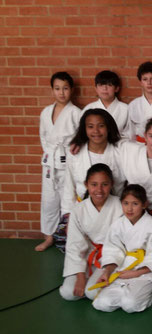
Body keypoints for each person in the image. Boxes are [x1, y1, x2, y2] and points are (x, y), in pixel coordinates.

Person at [91, 184, 152, 313]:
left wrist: (136, 273)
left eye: (135, 204)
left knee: (130, 305)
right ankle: (125, 292)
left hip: (144, 272)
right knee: (101, 303)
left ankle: (150, 295)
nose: (129, 208)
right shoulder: (118, 224)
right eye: (126, 203)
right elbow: (112, 250)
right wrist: (107, 272)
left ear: (144, 204)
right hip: (122, 268)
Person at [59, 164, 123, 301]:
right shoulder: (78, 209)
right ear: (86, 185)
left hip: (111, 257)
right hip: (88, 254)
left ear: (111, 184)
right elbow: (74, 244)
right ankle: (89, 278)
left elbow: (125, 241)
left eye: (104, 184)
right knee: (68, 293)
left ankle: (111, 281)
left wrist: (109, 268)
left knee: (91, 293)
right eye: (94, 184)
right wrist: (81, 277)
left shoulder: (120, 205)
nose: (99, 190)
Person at [37, 71, 82, 251]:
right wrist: (50, 153)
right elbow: (43, 136)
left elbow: (80, 140)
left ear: (71, 90)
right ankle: (48, 237)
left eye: (65, 88)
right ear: (52, 90)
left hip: (68, 162)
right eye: (57, 89)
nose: (61, 92)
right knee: (48, 201)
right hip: (50, 162)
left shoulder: (76, 113)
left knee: (68, 201)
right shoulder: (46, 112)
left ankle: (67, 239)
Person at [61, 108, 125, 218]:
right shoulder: (75, 153)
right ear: (84, 129)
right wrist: (67, 215)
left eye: (101, 126)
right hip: (82, 211)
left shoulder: (121, 152)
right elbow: (68, 186)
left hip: (115, 212)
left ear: (108, 127)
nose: (96, 131)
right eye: (90, 126)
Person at [81, 70, 129, 136]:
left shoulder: (126, 109)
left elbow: (129, 135)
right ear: (96, 88)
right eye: (101, 85)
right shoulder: (89, 108)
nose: (104, 88)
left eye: (109, 85)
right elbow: (81, 132)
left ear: (116, 88)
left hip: (119, 145)